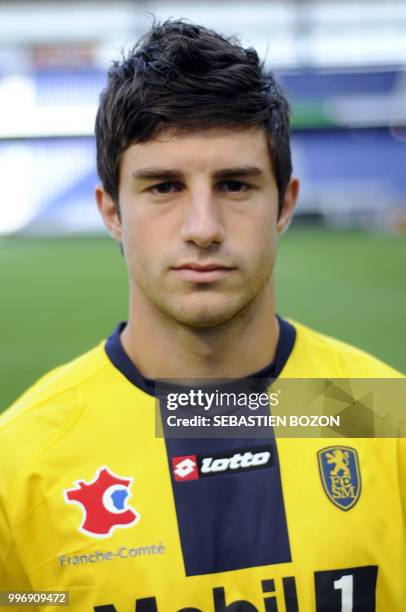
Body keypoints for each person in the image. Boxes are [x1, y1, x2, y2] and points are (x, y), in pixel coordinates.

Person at [0, 19, 404, 612]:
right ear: (111, 212)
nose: (203, 229)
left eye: (235, 185)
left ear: (284, 205)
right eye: (163, 187)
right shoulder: (21, 459)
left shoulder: (382, 415)